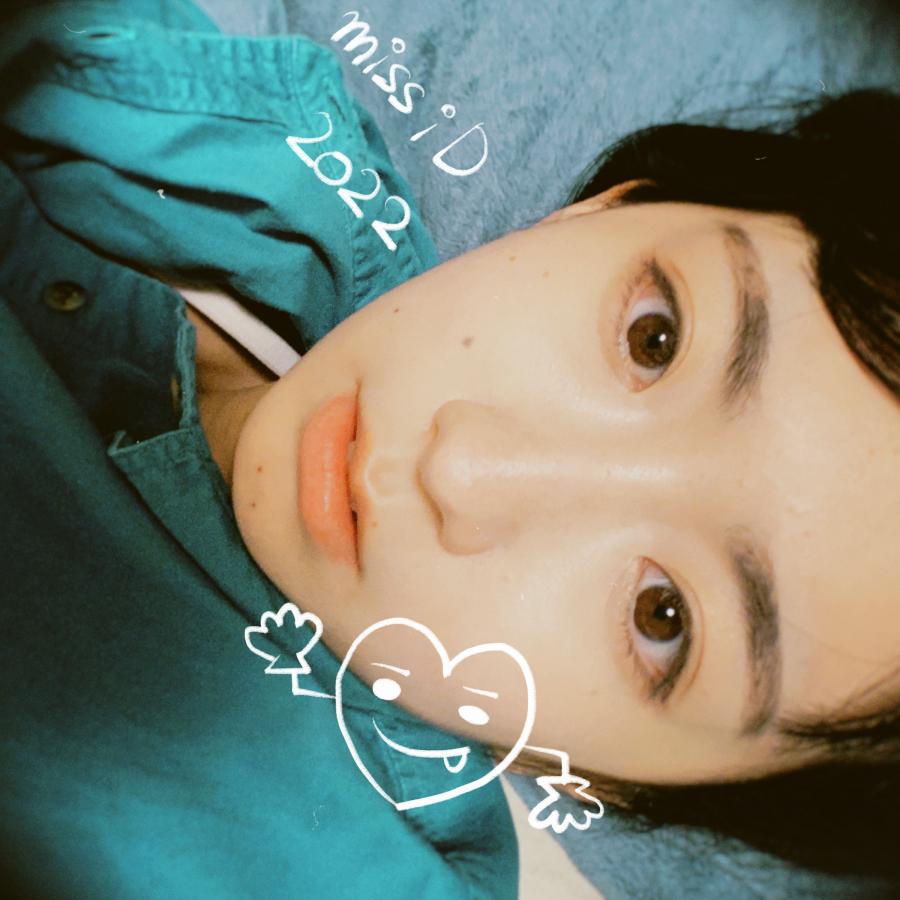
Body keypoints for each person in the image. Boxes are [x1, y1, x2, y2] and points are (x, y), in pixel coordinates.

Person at [1, 0, 897, 896]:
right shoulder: (259, 138)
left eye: (662, 617)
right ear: (616, 206)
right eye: (652, 339)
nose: (463, 470)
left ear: (611, 785)